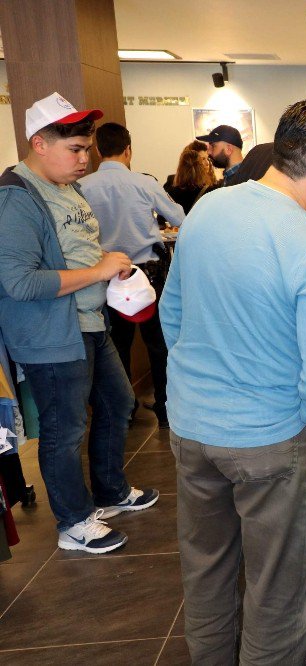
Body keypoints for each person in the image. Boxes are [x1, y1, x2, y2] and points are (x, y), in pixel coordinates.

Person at [160, 98, 306, 664]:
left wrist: (202, 387)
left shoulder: (206, 210)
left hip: (193, 431)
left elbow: (172, 316)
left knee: (206, 573)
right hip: (272, 441)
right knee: (278, 595)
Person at [0, 92, 159, 555]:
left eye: (87, 148)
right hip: (51, 335)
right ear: (39, 143)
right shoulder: (16, 197)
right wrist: (98, 271)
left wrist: (112, 267)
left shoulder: (67, 187)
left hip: (88, 322)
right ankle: (73, 522)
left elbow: (78, 248)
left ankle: (109, 491)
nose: (85, 159)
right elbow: (20, 283)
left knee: (118, 401)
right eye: (75, 149)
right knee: (64, 429)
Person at [79, 122, 185, 428]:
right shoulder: (145, 183)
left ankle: (123, 409)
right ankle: (166, 407)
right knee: (159, 344)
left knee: (117, 346)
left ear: (97, 150)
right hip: (148, 274)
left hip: (107, 276)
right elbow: (181, 218)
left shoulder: (83, 188)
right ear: (128, 150)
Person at [164, 141, 218, 212]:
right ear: (191, 161)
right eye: (202, 159)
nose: (207, 163)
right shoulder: (172, 183)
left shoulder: (212, 184)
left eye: (207, 159)